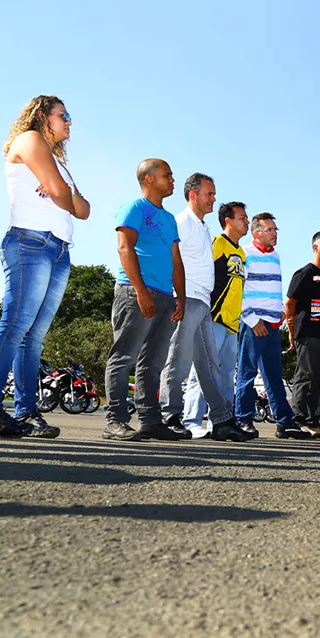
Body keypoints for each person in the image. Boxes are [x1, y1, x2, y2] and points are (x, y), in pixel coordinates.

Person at [0, 95, 89, 439]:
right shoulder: (30, 140)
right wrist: (60, 189)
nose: (69, 122)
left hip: (57, 250)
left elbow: (83, 210)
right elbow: (61, 193)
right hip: (30, 244)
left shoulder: (57, 161)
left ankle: (25, 413)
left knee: (33, 338)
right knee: (14, 328)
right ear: (42, 115)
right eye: (63, 115)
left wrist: (60, 188)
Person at [102, 158, 189, 441]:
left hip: (165, 297)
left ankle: (150, 420)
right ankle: (115, 421)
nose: (173, 180)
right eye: (167, 175)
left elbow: (176, 261)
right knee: (124, 356)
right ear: (149, 179)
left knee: (153, 362)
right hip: (134, 292)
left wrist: (181, 297)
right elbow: (124, 248)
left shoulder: (168, 219)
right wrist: (140, 290)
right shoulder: (134, 208)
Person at [158, 173, 247, 442]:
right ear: (193, 195)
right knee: (178, 361)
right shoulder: (181, 222)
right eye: (209, 193)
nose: (213, 198)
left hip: (203, 303)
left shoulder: (203, 227)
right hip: (186, 300)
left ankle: (220, 420)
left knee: (211, 365)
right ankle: (169, 416)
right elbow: (169, 259)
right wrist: (176, 295)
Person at [236, 212, 311, 440]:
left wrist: (278, 311)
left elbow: (271, 289)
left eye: (276, 230)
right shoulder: (244, 253)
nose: (274, 234)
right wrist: (252, 319)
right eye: (270, 230)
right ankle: (243, 419)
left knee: (274, 375)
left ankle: (284, 422)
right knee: (247, 372)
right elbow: (239, 288)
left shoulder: (275, 255)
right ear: (256, 232)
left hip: (271, 324)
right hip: (253, 323)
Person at [181, 200, 247, 437]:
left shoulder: (241, 252)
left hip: (232, 322)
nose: (246, 221)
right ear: (228, 220)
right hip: (213, 317)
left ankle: (222, 422)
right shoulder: (218, 243)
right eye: (242, 217)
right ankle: (191, 420)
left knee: (228, 375)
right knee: (203, 372)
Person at [283, 231, 320, 437]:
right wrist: (291, 329)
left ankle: (313, 421)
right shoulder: (304, 273)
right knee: (304, 376)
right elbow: (290, 302)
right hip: (307, 332)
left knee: (317, 379)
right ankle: (299, 420)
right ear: (316, 247)